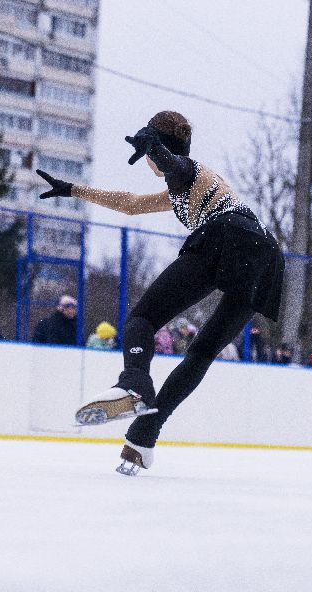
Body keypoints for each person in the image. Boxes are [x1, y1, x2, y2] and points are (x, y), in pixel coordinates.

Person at [38, 110, 284, 475]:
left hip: (227, 236)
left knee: (141, 318)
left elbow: (179, 166)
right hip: (267, 257)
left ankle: (135, 384)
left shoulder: (192, 173)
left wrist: (156, 147)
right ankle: (143, 438)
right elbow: (132, 203)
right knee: (200, 353)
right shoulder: (186, 187)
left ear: (157, 152)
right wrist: (74, 190)